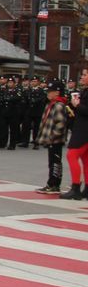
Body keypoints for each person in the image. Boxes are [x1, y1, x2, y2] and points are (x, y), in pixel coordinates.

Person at [34, 79, 68, 195]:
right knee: (52, 162)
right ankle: (51, 183)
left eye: (50, 91)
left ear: (57, 92)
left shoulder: (58, 105)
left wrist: (53, 136)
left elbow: (61, 123)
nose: (48, 93)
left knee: (55, 162)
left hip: (55, 139)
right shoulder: (51, 104)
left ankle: (54, 184)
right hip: (51, 139)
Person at [61, 68, 88, 200]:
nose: (81, 77)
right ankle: (87, 189)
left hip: (84, 131)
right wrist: (72, 106)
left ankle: (75, 188)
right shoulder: (84, 91)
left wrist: (77, 106)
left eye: (84, 75)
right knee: (86, 159)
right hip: (82, 128)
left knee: (72, 155)